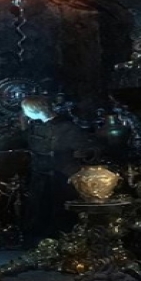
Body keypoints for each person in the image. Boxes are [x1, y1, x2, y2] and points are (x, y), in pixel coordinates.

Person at [20, 96, 98, 243]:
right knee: (41, 212)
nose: (24, 113)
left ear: (34, 109)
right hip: (41, 177)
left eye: (25, 110)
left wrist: (84, 153)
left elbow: (87, 148)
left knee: (61, 214)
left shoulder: (67, 128)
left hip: (62, 177)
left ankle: (63, 242)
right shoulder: (35, 128)